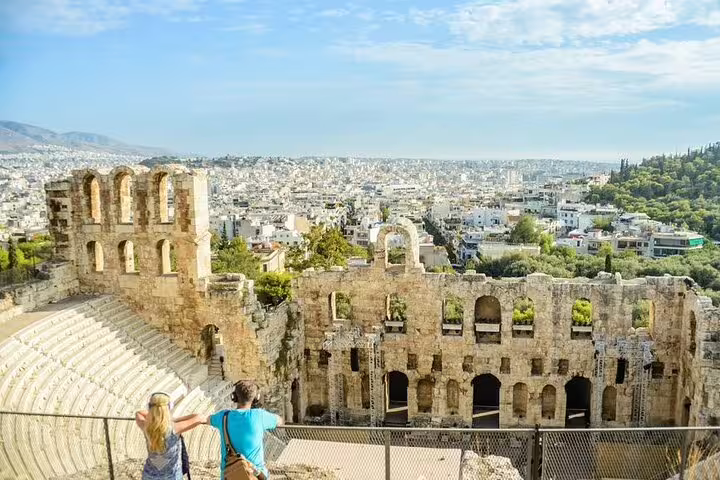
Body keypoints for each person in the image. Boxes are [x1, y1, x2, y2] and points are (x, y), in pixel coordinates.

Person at [206, 381, 283, 479]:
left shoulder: (223, 416)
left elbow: (206, 419)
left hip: (230, 475)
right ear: (256, 398)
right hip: (254, 476)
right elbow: (280, 421)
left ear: (234, 397)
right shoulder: (259, 415)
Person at [135, 392, 206, 480]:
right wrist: (173, 420)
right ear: (168, 408)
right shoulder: (175, 428)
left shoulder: (146, 426)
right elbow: (199, 417)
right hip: (172, 476)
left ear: (150, 407)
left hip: (149, 476)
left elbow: (139, 413)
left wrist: (154, 416)